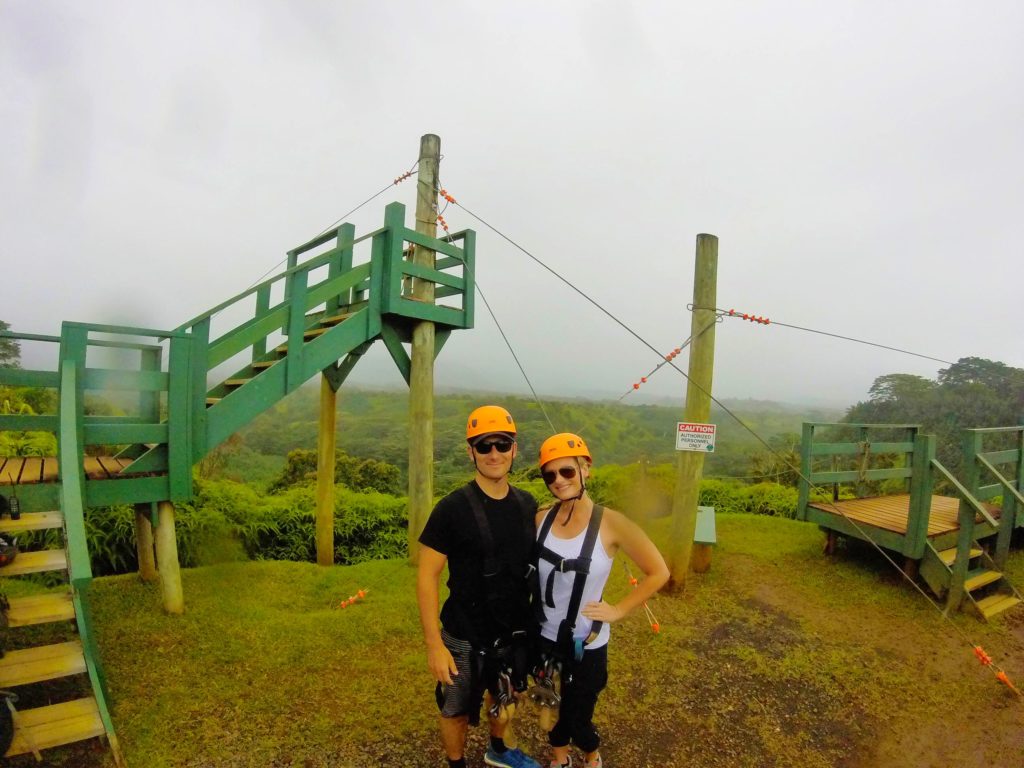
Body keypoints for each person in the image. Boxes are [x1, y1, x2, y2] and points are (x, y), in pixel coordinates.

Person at [533, 433, 669, 768]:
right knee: (549, 704)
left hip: (586, 642)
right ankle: (560, 757)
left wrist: (619, 609)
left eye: (566, 471)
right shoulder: (542, 519)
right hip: (545, 636)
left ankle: (591, 753)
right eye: (549, 475)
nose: (558, 481)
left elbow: (658, 571)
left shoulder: (612, 524)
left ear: (585, 469)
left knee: (579, 713)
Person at [417, 405, 542, 768]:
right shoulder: (451, 509)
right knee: (455, 705)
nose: (494, 454)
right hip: (463, 632)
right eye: (484, 446)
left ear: (514, 450)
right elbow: (427, 576)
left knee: (503, 692)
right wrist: (434, 645)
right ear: (470, 451)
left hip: (510, 628)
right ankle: (457, 763)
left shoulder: (526, 504)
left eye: (502, 445)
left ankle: (498, 750)